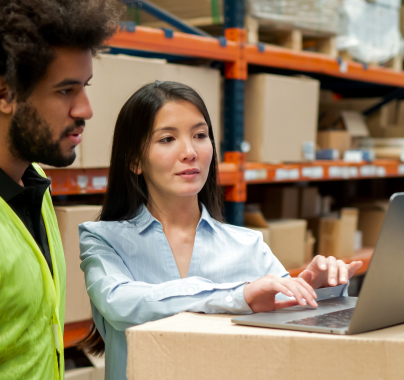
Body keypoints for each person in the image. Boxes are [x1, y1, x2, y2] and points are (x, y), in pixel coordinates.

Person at [79, 81, 363, 380]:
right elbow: (120, 303)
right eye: (167, 139)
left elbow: (291, 323)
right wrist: (237, 295)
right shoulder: (104, 239)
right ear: (134, 160)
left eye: (200, 135)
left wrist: (318, 290)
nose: (190, 152)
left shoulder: (247, 245)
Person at [0, 1, 118, 379]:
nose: (85, 109)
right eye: (65, 91)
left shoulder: (31, 180)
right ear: (3, 95)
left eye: (84, 87)